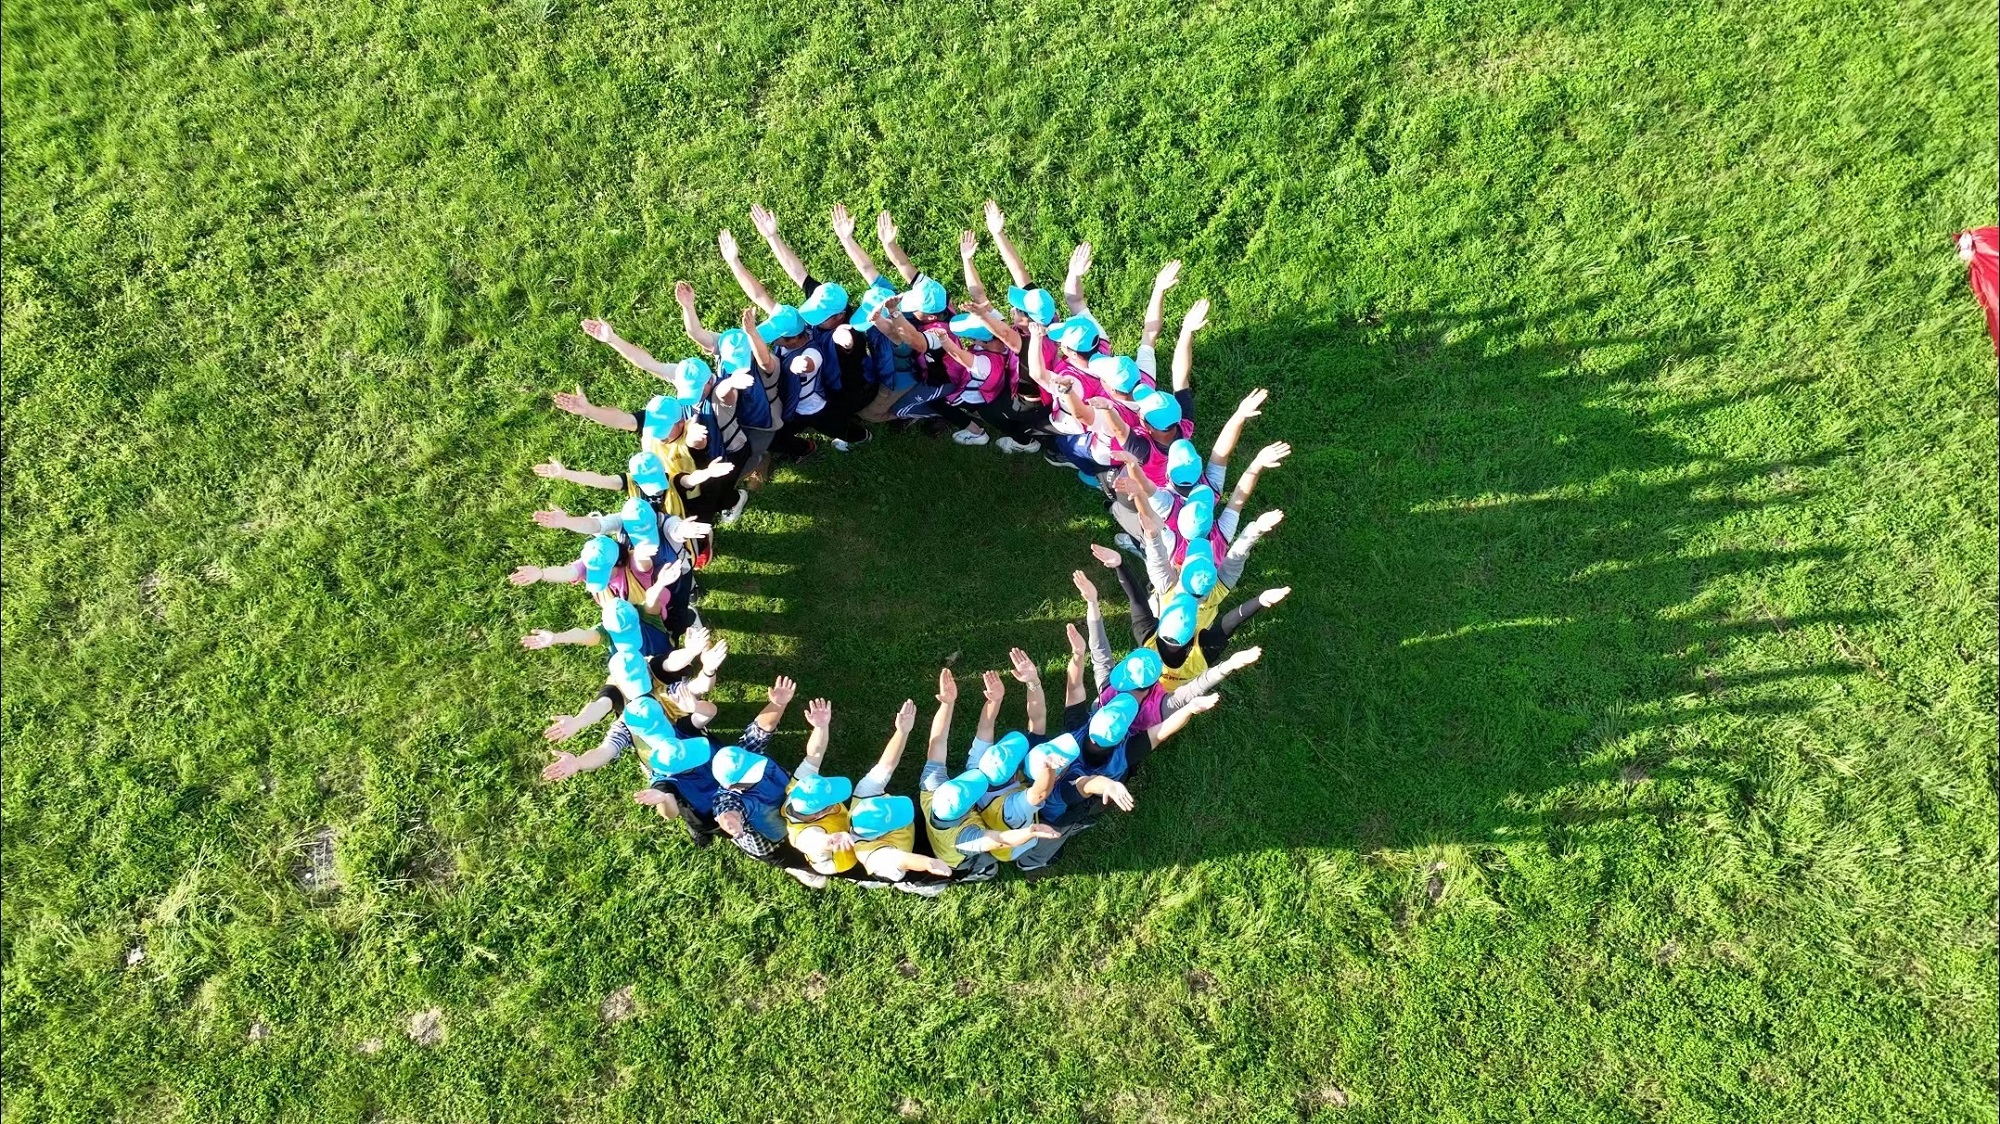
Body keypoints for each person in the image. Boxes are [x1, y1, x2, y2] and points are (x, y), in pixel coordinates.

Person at [916, 669, 1059, 882]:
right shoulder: (966, 838)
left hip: (952, 829)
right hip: (955, 856)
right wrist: (1031, 832)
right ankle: (979, 872)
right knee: (985, 863)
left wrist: (952, 703)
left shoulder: (933, 788)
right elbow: (1000, 840)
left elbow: (939, 741)